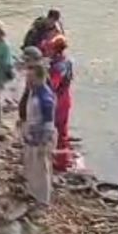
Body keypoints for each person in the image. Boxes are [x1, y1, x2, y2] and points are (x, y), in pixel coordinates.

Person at [18, 61, 55, 205]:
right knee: (31, 166)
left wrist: (45, 143)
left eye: (31, 78)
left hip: (40, 139)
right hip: (31, 136)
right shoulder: (34, 91)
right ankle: (32, 192)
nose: (28, 81)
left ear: (39, 78)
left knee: (41, 169)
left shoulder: (45, 98)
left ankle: (43, 199)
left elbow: (49, 124)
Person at [48, 35, 74, 171]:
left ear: (55, 49)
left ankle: (60, 162)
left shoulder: (57, 67)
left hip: (58, 100)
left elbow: (53, 85)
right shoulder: (68, 61)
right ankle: (65, 159)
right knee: (63, 130)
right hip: (66, 97)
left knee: (57, 130)